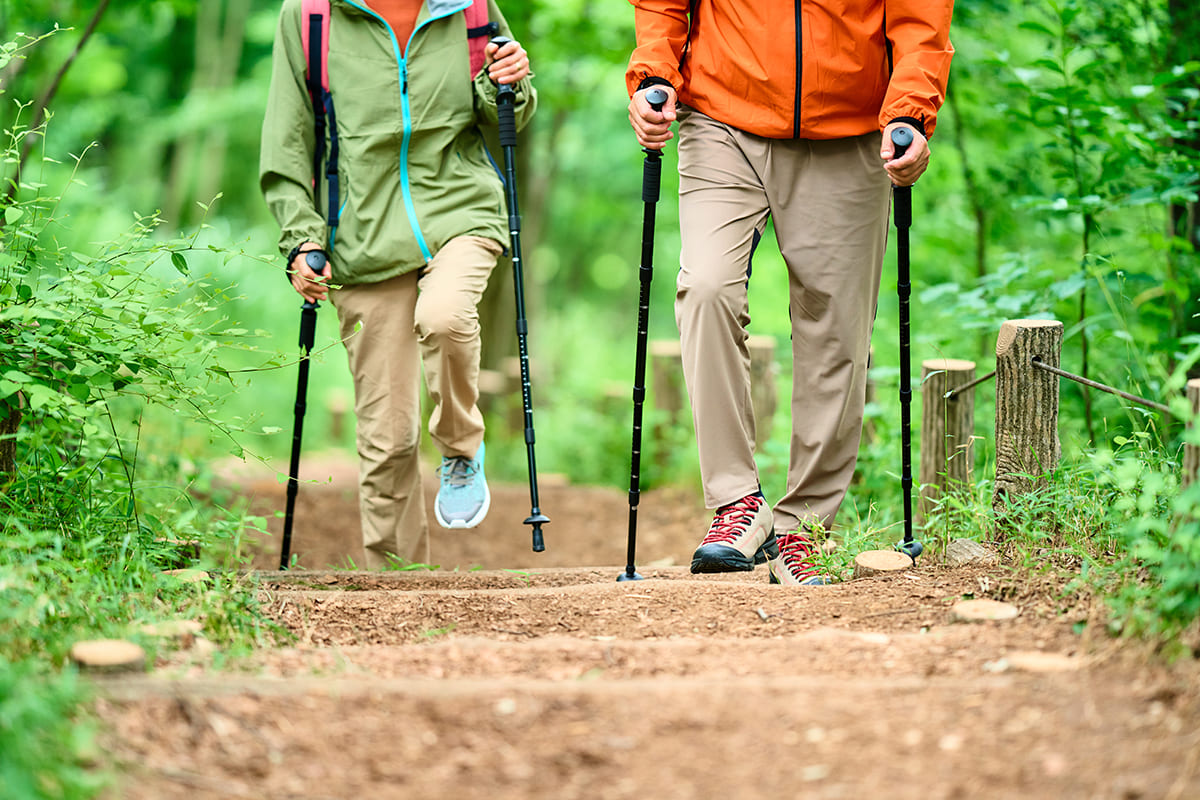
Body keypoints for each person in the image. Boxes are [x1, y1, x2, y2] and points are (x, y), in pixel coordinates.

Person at [625, 0, 953, 584]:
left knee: (837, 327)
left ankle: (805, 525)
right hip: (723, 117)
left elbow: (921, 24)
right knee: (705, 287)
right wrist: (653, 75)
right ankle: (737, 504)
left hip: (849, 133)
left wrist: (910, 114)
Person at [260, 0, 536, 568]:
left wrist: (511, 82)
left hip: (460, 209)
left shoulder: (470, 7)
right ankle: (395, 586)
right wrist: (302, 238)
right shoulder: (312, 18)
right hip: (361, 237)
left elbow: (506, 113)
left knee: (445, 315)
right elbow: (287, 144)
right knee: (388, 440)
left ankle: (461, 447)